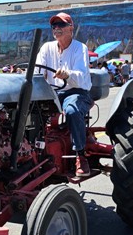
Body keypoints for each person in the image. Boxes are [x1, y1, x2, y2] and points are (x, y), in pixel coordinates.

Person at [35, 12, 92, 177]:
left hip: (77, 91)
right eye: (54, 25)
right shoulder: (47, 47)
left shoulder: (80, 48)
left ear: (70, 28)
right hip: (53, 92)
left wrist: (67, 74)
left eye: (61, 25)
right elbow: (38, 69)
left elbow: (81, 76)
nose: (57, 28)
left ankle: (80, 155)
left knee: (72, 110)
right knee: (28, 107)